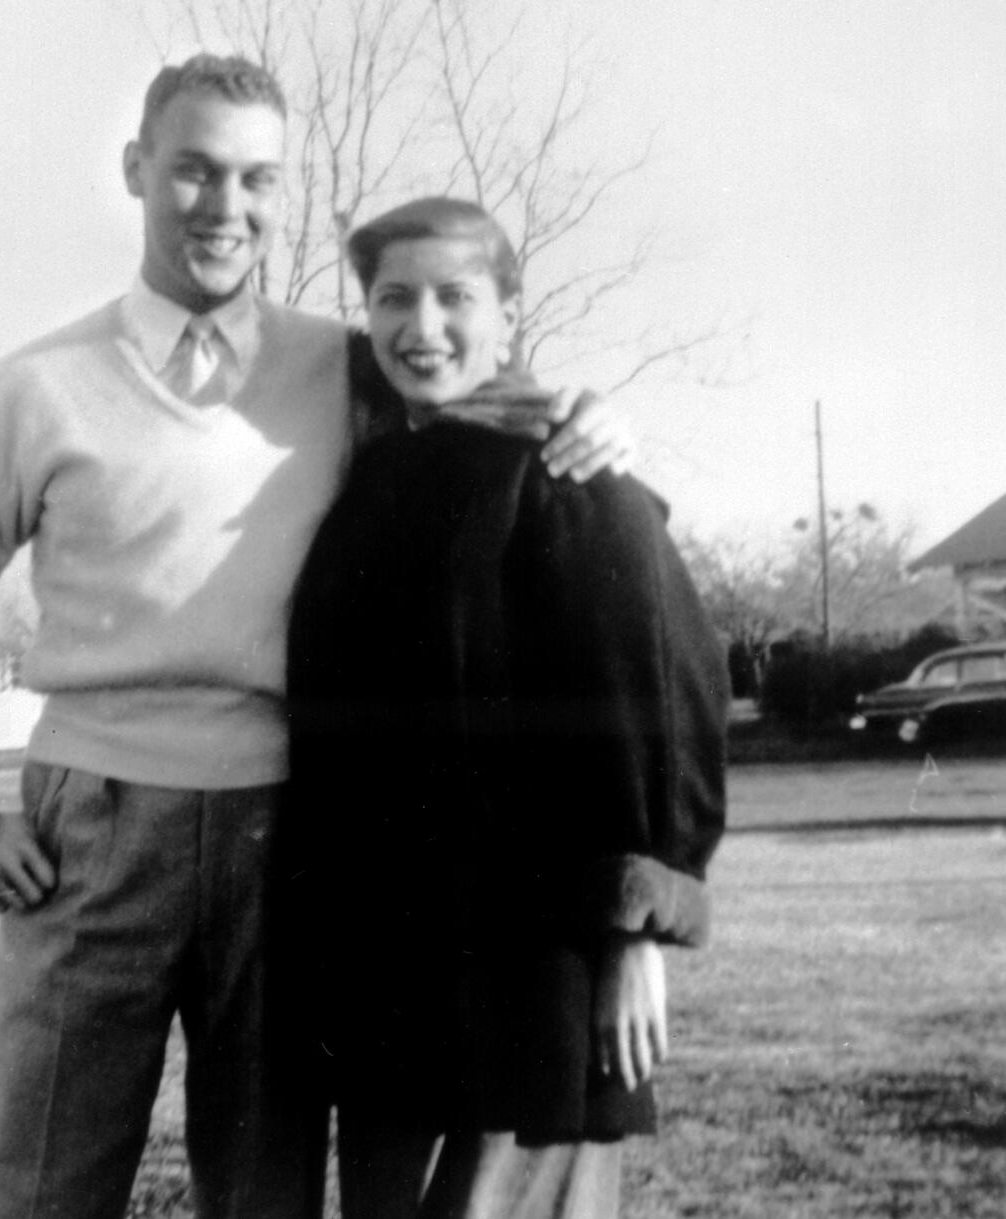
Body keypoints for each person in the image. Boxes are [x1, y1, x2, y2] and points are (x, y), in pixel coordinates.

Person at [0, 57, 631, 1219]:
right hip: (94, 825)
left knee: (263, 1188)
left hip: (291, 831)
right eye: (194, 171)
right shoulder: (37, 387)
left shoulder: (349, 363)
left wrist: (587, 414)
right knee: (43, 1183)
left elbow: (487, 402)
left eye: (256, 179)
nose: (226, 207)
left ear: (285, 193)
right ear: (136, 171)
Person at [284, 196, 728, 1219]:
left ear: (511, 315)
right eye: (394, 297)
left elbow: (657, 703)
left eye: (455, 296)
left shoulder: (569, 474)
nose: (422, 326)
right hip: (388, 958)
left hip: (537, 964)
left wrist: (633, 934)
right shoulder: (373, 474)